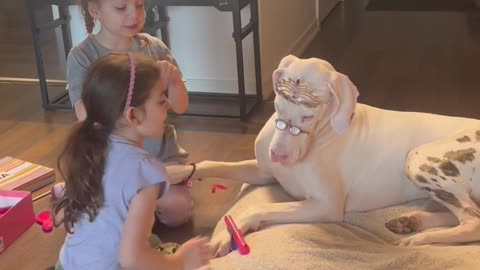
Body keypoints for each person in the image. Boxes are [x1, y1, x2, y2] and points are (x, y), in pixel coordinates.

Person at [53, 53, 211, 270]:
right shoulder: (146, 172)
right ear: (133, 116)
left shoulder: (90, 148)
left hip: (66, 264)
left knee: (152, 243)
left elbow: (65, 217)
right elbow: (132, 260)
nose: (167, 107)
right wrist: (181, 261)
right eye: (161, 101)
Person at [62, 0, 192, 226]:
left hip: (160, 158)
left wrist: (173, 80)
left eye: (140, 5)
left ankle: (135, 206)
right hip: (113, 163)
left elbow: (180, 106)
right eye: (121, 8)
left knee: (178, 212)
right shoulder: (83, 55)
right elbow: (86, 116)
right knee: (87, 217)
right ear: (95, 11)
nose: (134, 15)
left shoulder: (154, 48)